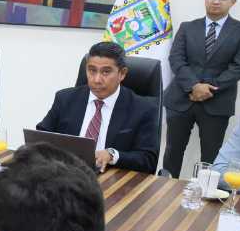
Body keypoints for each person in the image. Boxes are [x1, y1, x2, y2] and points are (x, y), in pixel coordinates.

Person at [163, 0, 240, 177]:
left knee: (211, 158)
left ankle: (205, 193)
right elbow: (176, 59)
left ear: (233, 2)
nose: (216, 1)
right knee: (172, 152)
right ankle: (164, 191)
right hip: (181, 99)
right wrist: (193, 86)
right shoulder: (187, 27)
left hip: (217, 102)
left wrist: (208, 88)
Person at [37, 41, 159, 173]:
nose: (96, 80)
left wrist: (113, 155)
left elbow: (148, 160)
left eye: (106, 72)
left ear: (122, 73)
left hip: (111, 176)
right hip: (67, 174)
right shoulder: (65, 98)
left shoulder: (143, 108)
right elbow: (40, 138)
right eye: (92, 71)